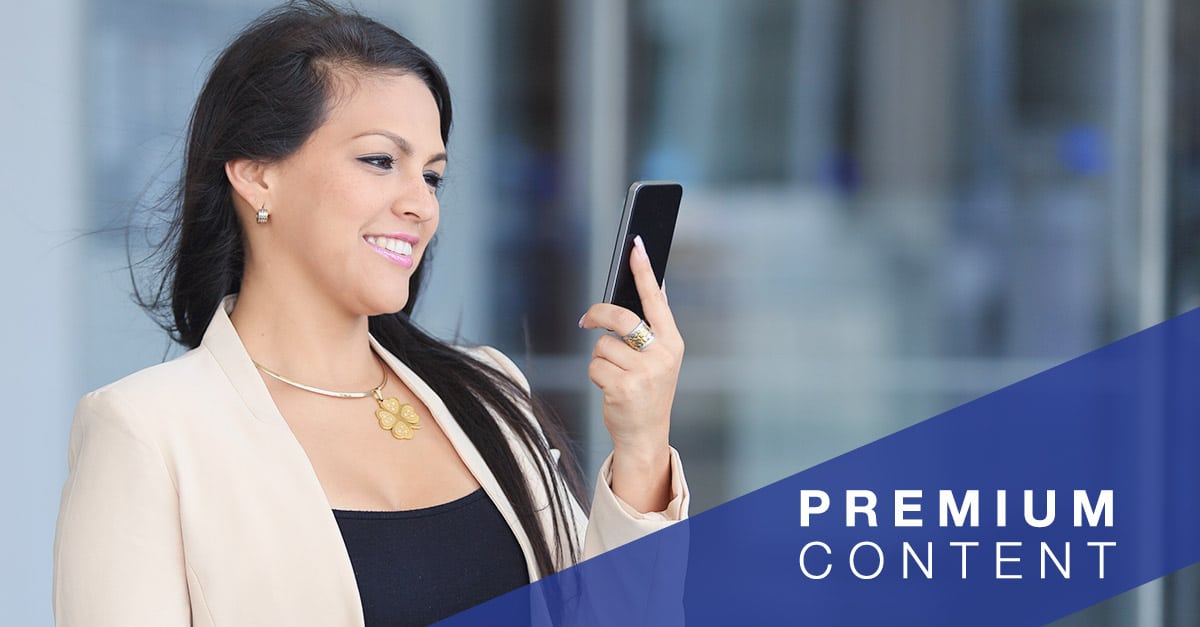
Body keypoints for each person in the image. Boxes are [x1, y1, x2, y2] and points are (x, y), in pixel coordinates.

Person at [51, 2, 689, 625]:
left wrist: (640, 445)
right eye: (381, 160)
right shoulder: (146, 432)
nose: (421, 206)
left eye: (432, 176)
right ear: (255, 176)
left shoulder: (491, 393)